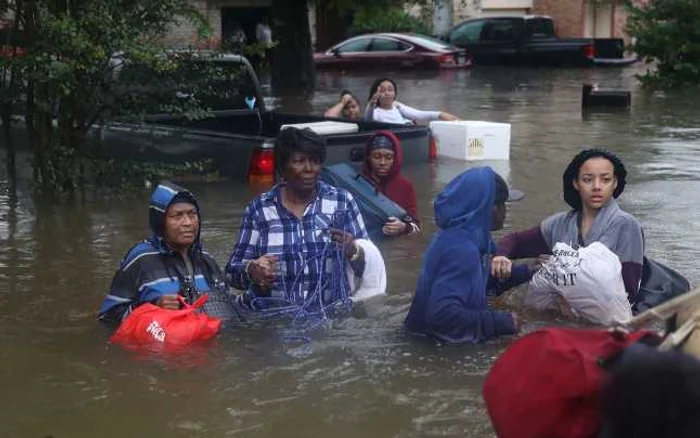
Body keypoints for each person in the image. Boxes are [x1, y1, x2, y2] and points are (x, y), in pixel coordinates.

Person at [226, 127, 370, 309]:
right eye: (299, 161)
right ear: (282, 168)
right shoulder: (260, 210)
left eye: (315, 161)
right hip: (271, 321)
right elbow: (231, 274)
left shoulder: (342, 202)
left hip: (329, 319)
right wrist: (252, 271)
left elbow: (371, 268)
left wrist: (353, 251)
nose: (309, 169)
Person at [492, 148, 644, 302]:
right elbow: (516, 241)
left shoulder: (626, 226)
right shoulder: (560, 223)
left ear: (615, 183)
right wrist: (501, 256)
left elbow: (629, 290)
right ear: (576, 183)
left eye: (605, 179)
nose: (597, 186)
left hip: (606, 316)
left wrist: (559, 268)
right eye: (587, 179)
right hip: (562, 311)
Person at [404, 167, 530, 344]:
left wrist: (527, 272)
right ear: (489, 208)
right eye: (502, 205)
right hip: (433, 349)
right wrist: (501, 322)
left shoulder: (457, 236)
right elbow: (441, 315)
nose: (505, 212)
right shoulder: (462, 250)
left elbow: (476, 283)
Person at [98, 181, 235, 325]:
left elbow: (228, 307)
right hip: (161, 345)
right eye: (177, 216)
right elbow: (107, 317)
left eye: (192, 214)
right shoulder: (141, 259)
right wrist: (154, 307)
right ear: (160, 222)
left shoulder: (206, 259)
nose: (188, 222)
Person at [362, 130, 420, 236]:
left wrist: (403, 227)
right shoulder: (357, 183)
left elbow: (416, 227)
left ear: (396, 159)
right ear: (369, 158)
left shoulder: (405, 186)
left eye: (388, 158)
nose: (382, 163)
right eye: (377, 157)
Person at [364, 77, 459, 125]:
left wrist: (440, 114)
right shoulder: (375, 112)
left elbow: (419, 114)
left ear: (395, 94)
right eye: (383, 91)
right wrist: (372, 103)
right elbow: (367, 121)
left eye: (390, 90)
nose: (387, 93)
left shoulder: (398, 107)